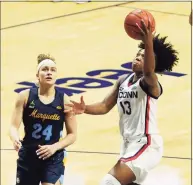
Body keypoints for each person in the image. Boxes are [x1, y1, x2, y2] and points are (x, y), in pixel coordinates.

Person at [64, 19, 179, 185]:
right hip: (128, 144)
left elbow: (148, 72)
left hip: (146, 144)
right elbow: (104, 106)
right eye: (138, 54)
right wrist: (85, 108)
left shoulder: (151, 84)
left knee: (109, 182)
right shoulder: (123, 80)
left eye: (144, 56)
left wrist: (148, 43)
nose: (138, 57)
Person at [9, 54, 77, 185]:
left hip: (53, 157)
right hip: (29, 155)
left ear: (56, 75)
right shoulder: (24, 96)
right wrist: (14, 138)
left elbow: (73, 134)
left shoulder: (64, 100)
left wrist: (55, 147)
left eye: (53, 70)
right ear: (37, 75)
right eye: (45, 69)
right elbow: (13, 126)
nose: (49, 73)